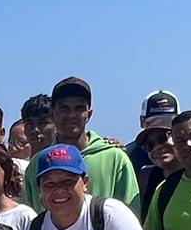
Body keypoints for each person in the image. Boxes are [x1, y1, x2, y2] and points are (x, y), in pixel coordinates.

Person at [25, 78, 139, 209]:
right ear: (52, 113)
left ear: (89, 114)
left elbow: (131, 212)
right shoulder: (37, 163)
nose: (71, 115)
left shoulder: (115, 159)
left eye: (79, 108)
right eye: (64, 108)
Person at [129, 89, 180, 196]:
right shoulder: (129, 155)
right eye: (154, 122)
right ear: (142, 121)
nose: (158, 146)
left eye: (169, 123)